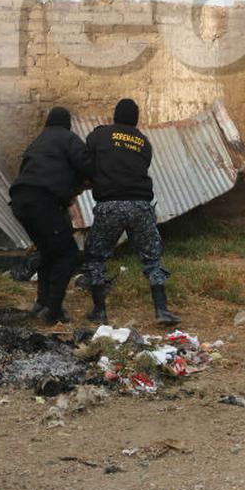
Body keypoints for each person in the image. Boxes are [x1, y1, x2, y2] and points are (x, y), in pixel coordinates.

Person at [79, 98, 180, 325]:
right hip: (140, 205)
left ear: (115, 115)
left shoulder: (101, 135)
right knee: (152, 259)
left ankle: (99, 312)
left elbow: (87, 155)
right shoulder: (144, 142)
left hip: (110, 205)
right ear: (136, 119)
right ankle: (162, 311)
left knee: (95, 258)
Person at [9, 107, 94, 324]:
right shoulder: (68, 138)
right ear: (68, 124)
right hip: (43, 202)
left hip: (20, 203)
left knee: (48, 253)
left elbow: (28, 172)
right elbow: (87, 165)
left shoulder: (37, 142)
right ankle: (53, 310)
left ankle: (42, 303)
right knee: (68, 255)